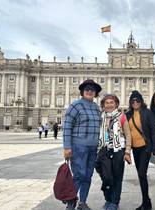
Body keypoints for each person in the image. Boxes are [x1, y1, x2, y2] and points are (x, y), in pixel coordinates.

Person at [63, 79, 102, 210]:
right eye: (87, 89)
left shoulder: (97, 108)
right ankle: (71, 202)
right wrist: (67, 147)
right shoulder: (76, 106)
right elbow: (67, 126)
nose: (90, 91)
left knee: (88, 175)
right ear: (82, 92)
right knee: (79, 175)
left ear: (95, 93)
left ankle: (83, 202)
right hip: (78, 147)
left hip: (93, 147)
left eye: (92, 90)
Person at [125, 90, 155, 210]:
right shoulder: (128, 114)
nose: (135, 102)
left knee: (141, 174)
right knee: (141, 176)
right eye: (133, 101)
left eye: (138, 100)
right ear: (130, 102)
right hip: (135, 149)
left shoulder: (147, 113)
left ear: (141, 101)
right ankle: (146, 202)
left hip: (145, 147)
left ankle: (146, 203)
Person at [97, 94, 132, 210]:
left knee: (117, 177)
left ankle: (114, 202)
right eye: (107, 103)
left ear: (116, 104)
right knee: (106, 176)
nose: (109, 105)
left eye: (112, 102)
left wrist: (127, 151)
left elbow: (128, 134)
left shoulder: (122, 117)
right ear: (103, 105)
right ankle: (108, 198)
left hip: (119, 150)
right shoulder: (101, 117)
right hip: (104, 149)